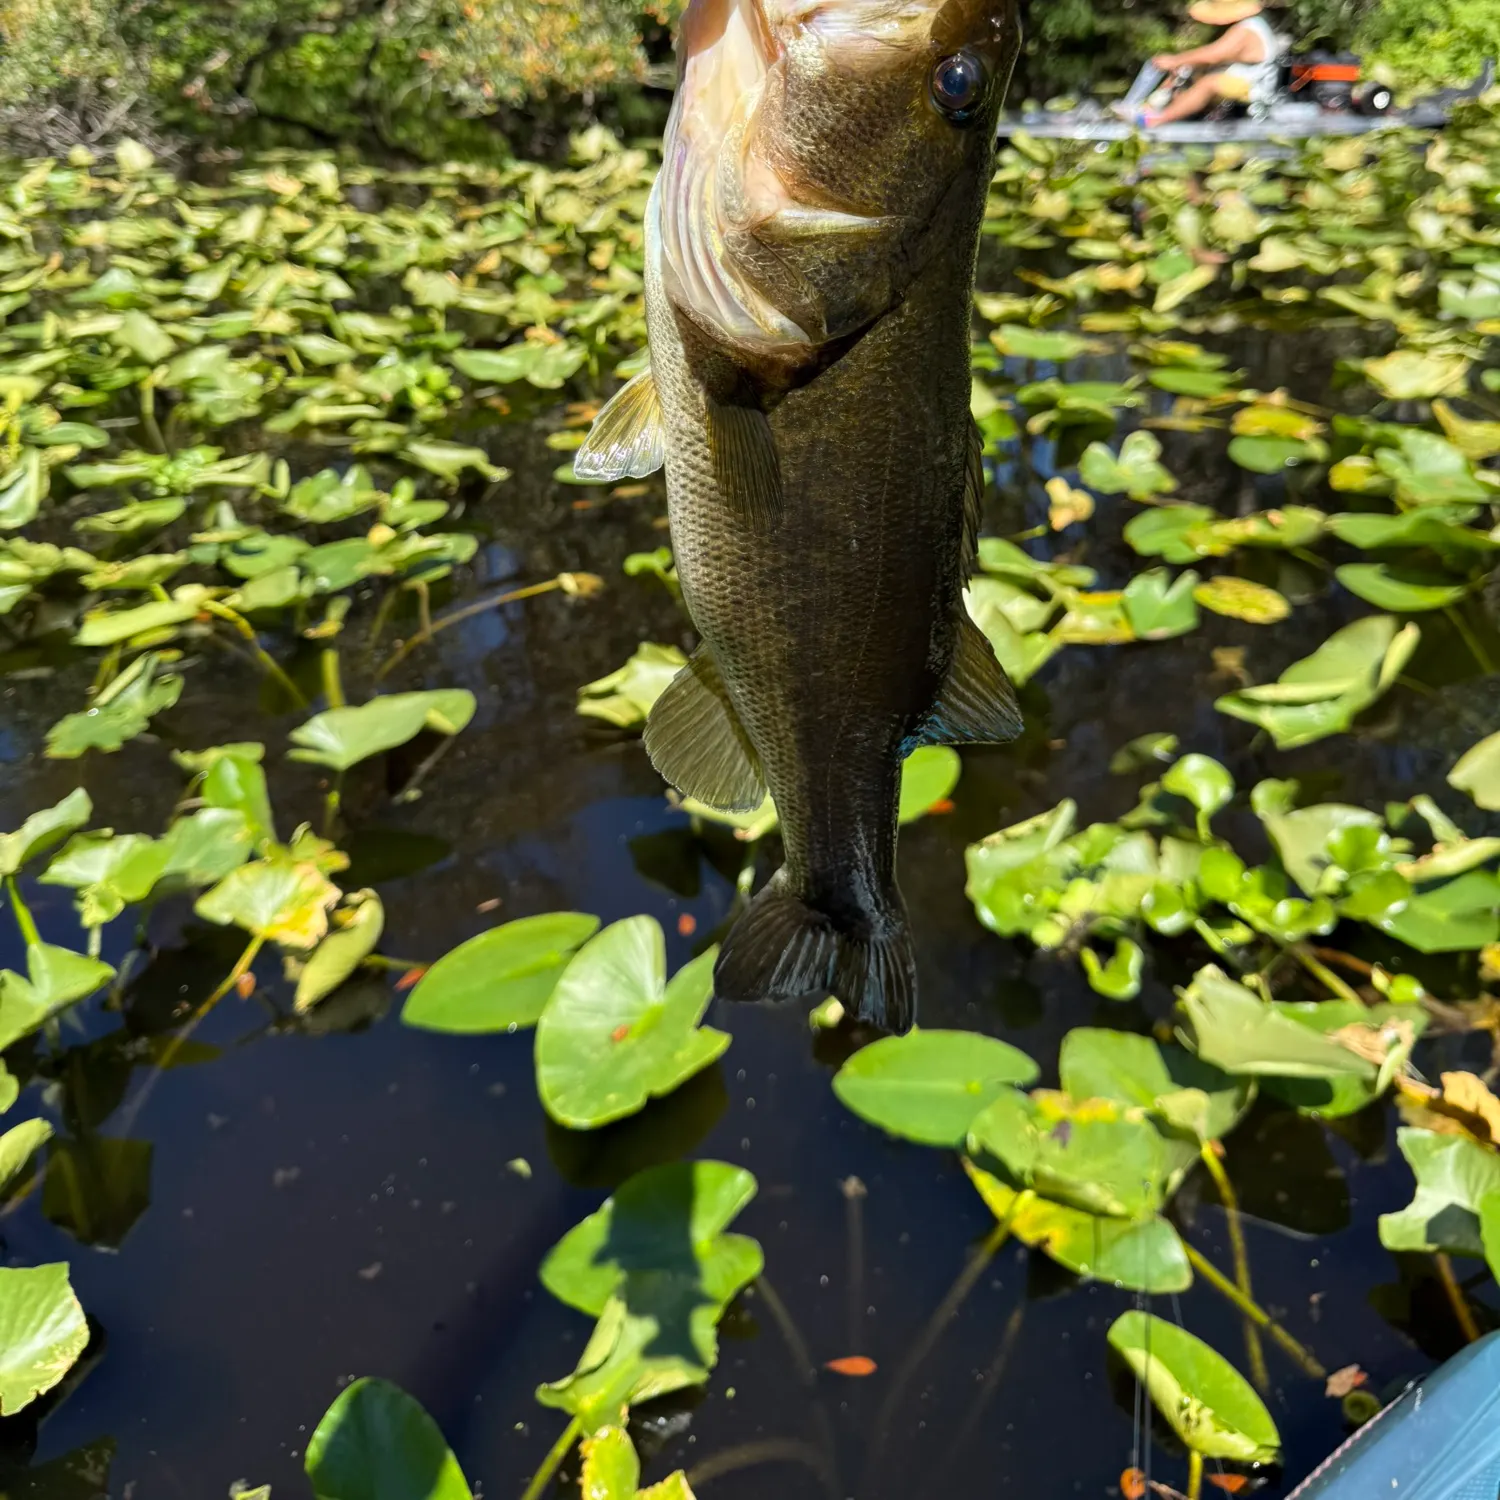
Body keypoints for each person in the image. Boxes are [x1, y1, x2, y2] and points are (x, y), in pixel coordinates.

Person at [1119, 0, 1286, 128]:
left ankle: (1156, 120)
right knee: (1187, 74)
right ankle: (1148, 108)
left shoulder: (1249, 28)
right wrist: (1181, 66)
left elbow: (1214, 54)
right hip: (1241, 82)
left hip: (1256, 88)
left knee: (1209, 83)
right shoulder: (1248, 25)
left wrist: (1174, 60)